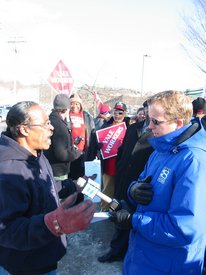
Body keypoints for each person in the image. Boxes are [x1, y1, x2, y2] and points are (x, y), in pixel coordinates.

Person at [110, 90, 206, 274]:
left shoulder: (194, 161)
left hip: (169, 263)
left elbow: (185, 228)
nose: (149, 126)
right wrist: (133, 190)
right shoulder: (161, 148)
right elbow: (141, 180)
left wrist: (135, 220)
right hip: (144, 256)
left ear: (178, 123)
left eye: (156, 121)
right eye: (148, 119)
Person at [0, 101, 96, 275]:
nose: (51, 128)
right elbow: (6, 230)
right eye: (45, 124)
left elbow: (43, 188)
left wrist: (74, 186)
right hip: (24, 266)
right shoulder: (7, 170)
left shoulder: (37, 155)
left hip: (43, 256)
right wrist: (54, 224)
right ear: (24, 130)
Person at [98, 101, 154, 263]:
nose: (145, 113)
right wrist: (120, 166)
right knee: (120, 214)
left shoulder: (157, 133)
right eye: (144, 110)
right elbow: (122, 151)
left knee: (135, 219)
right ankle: (115, 251)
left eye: (148, 110)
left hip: (141, 184)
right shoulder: (132, 128)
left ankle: (131, 254)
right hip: (124, 179)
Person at [44, 94, 83, 200]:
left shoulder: (51, 119)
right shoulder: (59, 125)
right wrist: (78, 152)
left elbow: (58, 145)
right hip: (58, 171)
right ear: (66, 109)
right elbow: (62, 155)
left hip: (51, 167)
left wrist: (73, 143)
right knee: (60, 200)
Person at [98, 102, 130, 212]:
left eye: (120, 112)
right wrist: (98, 145)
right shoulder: (106, 124)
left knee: (119, 190)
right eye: (115, 112)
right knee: (107, 189)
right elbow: (97, 139)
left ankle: (116, 210)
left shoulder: (129, 127)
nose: (117, 115)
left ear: (124, 114)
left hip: (121, 164)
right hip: (108, 164)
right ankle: (104, 210)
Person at [68, 93, 96, 180]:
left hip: (83, 154)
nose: (74, 106)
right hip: (70, 153)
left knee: (81, 179)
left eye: (77, 104)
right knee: (70, 179)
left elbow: (92, 133)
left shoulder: (86, 116)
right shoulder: (66, 115)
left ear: (80, 105)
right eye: (71, 103)